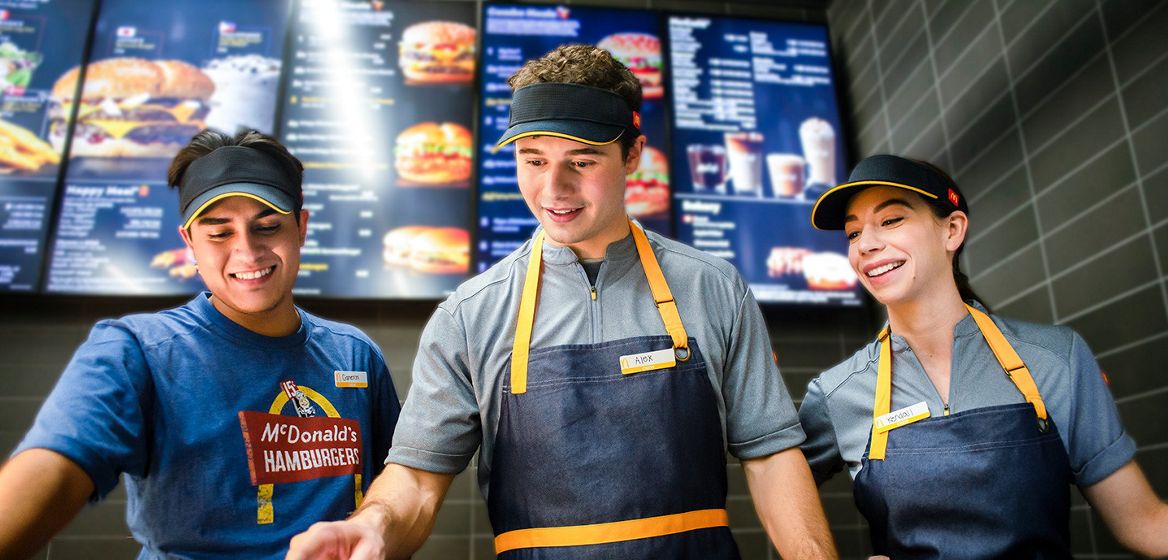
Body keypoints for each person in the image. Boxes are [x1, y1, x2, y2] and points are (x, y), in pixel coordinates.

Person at [287, 44, 837, 560]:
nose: (553, 190)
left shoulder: (713, 288)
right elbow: (417, 478)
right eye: (533, 160)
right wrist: (374, 525)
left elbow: (771, 457)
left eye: (582, 160)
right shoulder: (469, 314)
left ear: (633, 155)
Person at [0, 129, 401, 559]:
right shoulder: (136, 352)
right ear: (189, 241)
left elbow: (394, 495)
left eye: (267, 227)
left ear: (301, 228)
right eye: (219, 234)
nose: (247, 253)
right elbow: (54, 467)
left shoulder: (355, 354)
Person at [799, 154, 1168, 558]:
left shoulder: (1056, 359)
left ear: (952, 230)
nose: (866, 245)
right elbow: (775, 487)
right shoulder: (837, 394)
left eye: (891, 221)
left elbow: (1144, 524)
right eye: (853, 234)